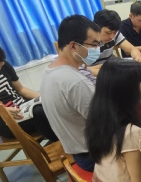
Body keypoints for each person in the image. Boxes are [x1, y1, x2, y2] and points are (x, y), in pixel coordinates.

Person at [0, 40, 58, 141]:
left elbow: (20, 89)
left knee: (55, 103)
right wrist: (0, 112)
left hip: (24, 107)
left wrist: (44, 99)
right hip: (2, 122)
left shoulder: (1, 65)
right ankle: (60, 144)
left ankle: (61, 141)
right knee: (40, 113)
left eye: (0, 67)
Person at [40, 15, 101, 171]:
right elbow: (106, 123)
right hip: (94, 156)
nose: (97, 49)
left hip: (77, 150)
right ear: (73, 46)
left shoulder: (51, 70)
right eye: (94, 44)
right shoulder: (76, 82)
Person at [79, 9, 141, 83]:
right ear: (96, 27)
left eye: (114, 32)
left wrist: (137, 58)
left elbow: (132, 49)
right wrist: (108, 70)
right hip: (93, 76)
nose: (111, 36)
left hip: (109, 69)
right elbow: (80, 70)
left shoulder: (114, 34)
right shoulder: (85, 42)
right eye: (108, 33)